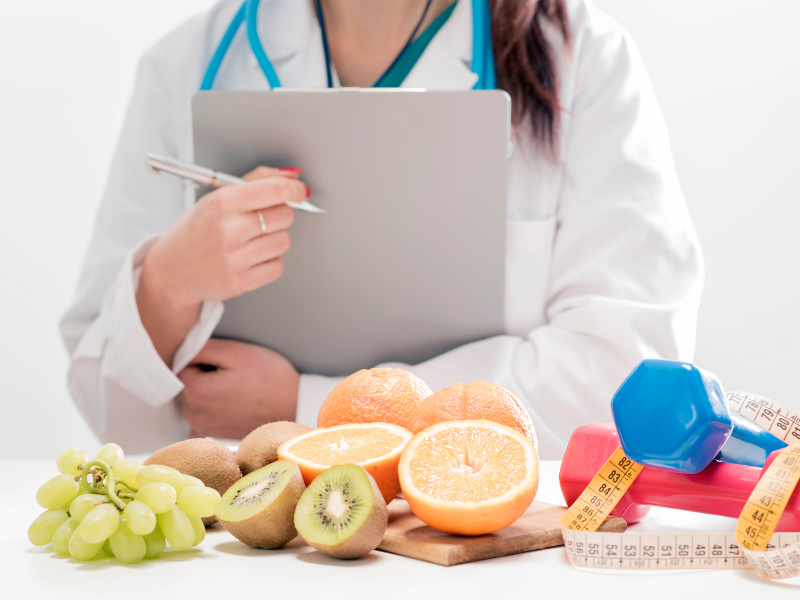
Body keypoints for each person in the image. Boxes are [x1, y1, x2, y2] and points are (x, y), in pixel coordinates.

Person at [60, 0, 703, 457]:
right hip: (252, 549)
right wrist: (168, 284)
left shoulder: (586, 58)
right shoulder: (184, 64)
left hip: (478, 547)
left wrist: (308, 408)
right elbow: (114, 419)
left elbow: (624, 381)